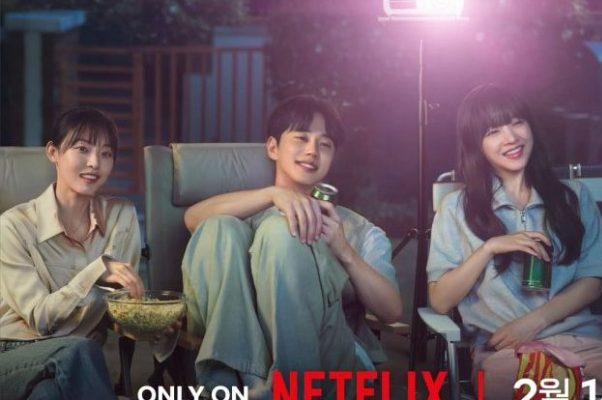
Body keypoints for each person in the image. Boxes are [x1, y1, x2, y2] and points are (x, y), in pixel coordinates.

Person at [426, 84, 602, 399]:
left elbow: (591, 282)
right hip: (506, 353)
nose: (511, 138)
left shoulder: (573, 198)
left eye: (517, 122)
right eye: (493, 131)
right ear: (476, 144)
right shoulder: (456, 209)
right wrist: (489, 248)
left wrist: (532, 323)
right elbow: (440, 300)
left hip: (584, 344)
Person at [181, 95, 402, 397]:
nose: (312, 150)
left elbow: (391, 310)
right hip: (248, 358)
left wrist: (345, 252)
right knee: (218, 227)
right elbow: (193, 219)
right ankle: (243, 380)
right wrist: (271, 195)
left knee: (282, 232)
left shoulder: (357, 229)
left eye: (325, 144)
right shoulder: (243, 212)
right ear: (273, 147)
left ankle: (278, 386)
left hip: (330, 360)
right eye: (301, 138)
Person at [0, 107, 146, 399]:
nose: (94, 163)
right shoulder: (13, 226)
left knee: (48, 394)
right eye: (82, 149)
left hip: (78, 359)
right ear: (53, 152)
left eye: (106, 153)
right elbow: (41, 319)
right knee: (78, 350)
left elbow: (122, 304)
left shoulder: (121, 217)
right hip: (12, 352)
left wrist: (152, 317)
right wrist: (96, 272)